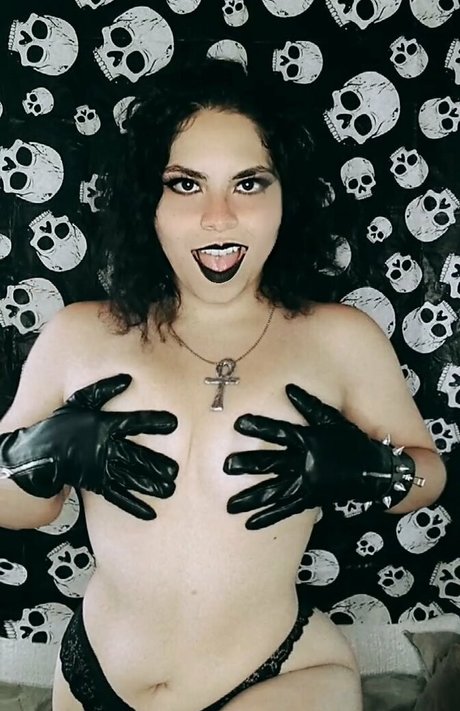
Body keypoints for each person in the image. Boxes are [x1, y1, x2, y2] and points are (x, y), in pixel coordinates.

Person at [0, 58, 446, 711]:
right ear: (148, 202)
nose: (219, 218)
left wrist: (377, 469)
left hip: (277, 675)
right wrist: (32, 455)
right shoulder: (78, 334)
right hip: (96, 674)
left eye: (249, 182)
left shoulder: (342, 338)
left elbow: (429, 477)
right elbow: (15, 506)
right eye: (185, 185)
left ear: (286, 195)